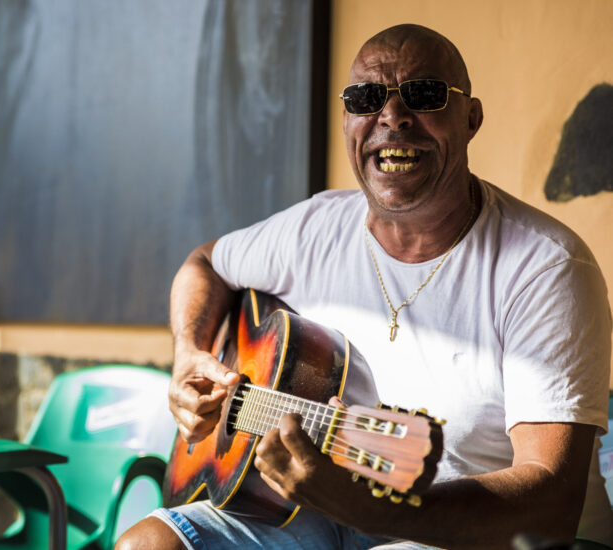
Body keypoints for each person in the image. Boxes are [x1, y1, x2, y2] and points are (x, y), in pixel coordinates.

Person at [116, 23, 613, 549]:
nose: (392, 116)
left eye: (423, 95)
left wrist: (377, 514)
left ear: (471, 119)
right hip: (319, 511)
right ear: (349, 120)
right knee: (147, 544)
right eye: (367, 98)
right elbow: (204, 265)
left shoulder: (545, 267)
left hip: (492, 535)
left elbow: (551, 502)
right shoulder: (316, 227)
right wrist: (190, 355)